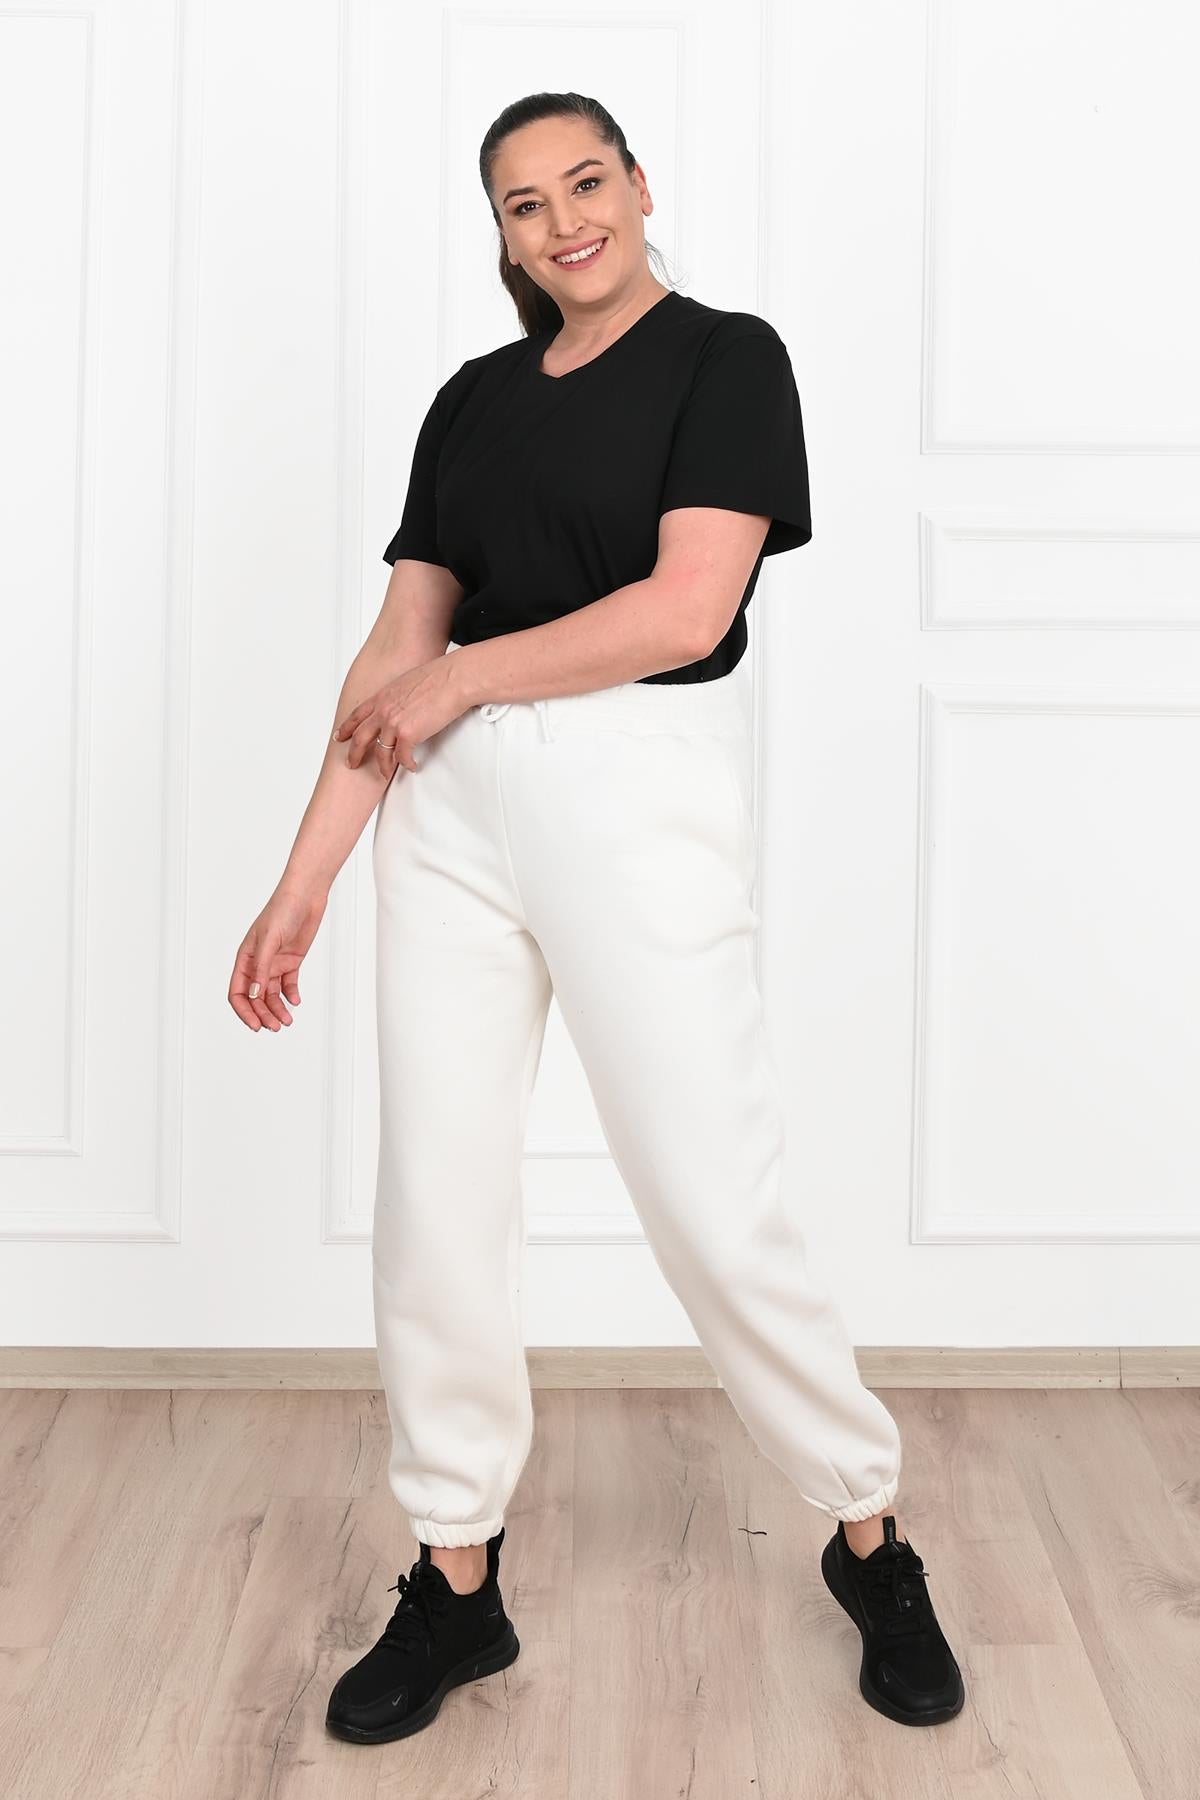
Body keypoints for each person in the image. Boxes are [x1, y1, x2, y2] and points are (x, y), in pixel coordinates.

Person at [229, 90, 964, 1746]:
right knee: (438, 1197)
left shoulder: (727, 359)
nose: (563, 221)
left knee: (713, 1189)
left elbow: (687, 609)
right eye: (523, 202)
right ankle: (456, 1576)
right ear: (498, 232)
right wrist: (306, 873)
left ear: (639, 184)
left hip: (635, 796)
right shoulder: (473, 401)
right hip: (447, 813)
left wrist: (465, 679)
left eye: (584, 182)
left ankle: (869, 1534)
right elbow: (396, 649)